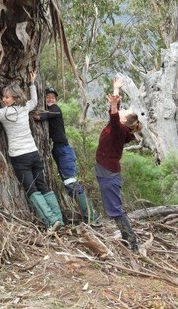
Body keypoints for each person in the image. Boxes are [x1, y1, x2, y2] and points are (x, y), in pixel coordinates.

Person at [0, 71, 64, 231]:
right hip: (34, 154)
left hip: (20, 158)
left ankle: (52, 221)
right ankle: (59, 218)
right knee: (43, 186)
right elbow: (34, 101)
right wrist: (32, 83)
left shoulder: (4, 113)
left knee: (32, 189)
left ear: (15, 98)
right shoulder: (24, 107)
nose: (3, 99)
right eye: (3, 96)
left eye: (6, 97)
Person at [34, 87, 98, 224]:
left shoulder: (55, 109)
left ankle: (91, 218)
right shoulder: (50, 110)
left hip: (64, 151)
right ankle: (89, 217)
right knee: (69, 185)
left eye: (53, 97)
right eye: (47, 97)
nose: (51, 99)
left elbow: (39, 117)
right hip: (59, 151)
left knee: (71, 184)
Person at [95, 78, 142, 252]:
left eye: (124, 111)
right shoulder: (119, 128)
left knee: (114, 209)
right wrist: (115, 89)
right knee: (113, 208)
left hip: (109, 173)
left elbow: (114, 115)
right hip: (108, 171)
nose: (121, 110)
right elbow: (115, 111)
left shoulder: (119, 130)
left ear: (123, 121)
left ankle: (132, 242)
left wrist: (115, 106)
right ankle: (126, 239)